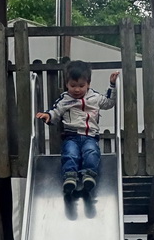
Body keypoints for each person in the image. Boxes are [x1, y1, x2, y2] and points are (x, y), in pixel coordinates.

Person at [36, 61, 119, 196]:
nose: (77, 89)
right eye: (73, 85)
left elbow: (109, 102)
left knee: (91, 152)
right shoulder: (65, 100)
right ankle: (70, 177)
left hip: (90, 136)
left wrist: (112, 85)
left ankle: (89, 175)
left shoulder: (95, 98)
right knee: (70, 153)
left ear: (88, 84)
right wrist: (48, 116)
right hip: (71, 136)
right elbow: (55, 112)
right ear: (66, 84)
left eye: (81, 85)